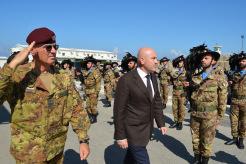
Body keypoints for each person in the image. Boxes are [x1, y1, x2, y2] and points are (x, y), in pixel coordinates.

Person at [0, 27, 90, 163]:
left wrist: (83, 139)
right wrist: (12, 65)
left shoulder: (63, 77)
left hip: (55, 152)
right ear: (33, 49)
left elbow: (76, 109)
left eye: (55, 46)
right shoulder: (18, 75)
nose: (54, 51)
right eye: (48, 47)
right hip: (28, 154)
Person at [114, 47, 167, 164]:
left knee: (131, 159)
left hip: (146, 129)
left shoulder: (152, 76)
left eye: (156, 58)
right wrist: (120, 136)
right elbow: (119, 110)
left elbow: (156, 101)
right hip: (133, 131)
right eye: (153, 58)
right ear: (142, 61)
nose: (156, 61)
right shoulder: (126, 80)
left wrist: (161, 122)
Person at [186, 49, 228, 164]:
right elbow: (191, 94)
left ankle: (204, 160)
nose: (203, 60)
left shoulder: (218, 77)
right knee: (195, 138)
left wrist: (220, 116)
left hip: (210, 115)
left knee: (207, 140)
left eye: (206, 58)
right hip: (195, 113)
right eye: (202, 58)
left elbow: (222, 98)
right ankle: (196, 157)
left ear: (212, 60)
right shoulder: (195, 76)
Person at [225, 51, 246, 149]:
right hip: (234, 100)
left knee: (243, 121)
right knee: (233, 120)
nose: (242, 62)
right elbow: (230, 84)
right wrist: (230, 82)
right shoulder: (234, 73)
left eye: (244, 61)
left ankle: (241, 139)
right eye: (241, 61)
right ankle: (234, 138)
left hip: (245, 101)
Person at [169, 55, 187, 130]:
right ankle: (175, 121)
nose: (180, 63)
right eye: (179, 62)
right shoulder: (174, 70)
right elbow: (171, 79)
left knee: (181, 108)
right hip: (175, 91)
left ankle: (180, 122)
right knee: (174, 108)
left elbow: (188, 82)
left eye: (181, 62)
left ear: (183, 63)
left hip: (183, 92)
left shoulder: (186, 71)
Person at [82, 56, 101, 124]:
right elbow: (85, 82)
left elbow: (98, 82)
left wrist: (97, 92)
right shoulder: (86, 71)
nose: (87, 64)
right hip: (88, 91)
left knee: (93, 106)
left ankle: (94, 117)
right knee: (87, 105)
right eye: (87, 63)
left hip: (93, 91)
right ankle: (90, 116)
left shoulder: (95, 71)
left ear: (92, 64)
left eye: (89, 63)